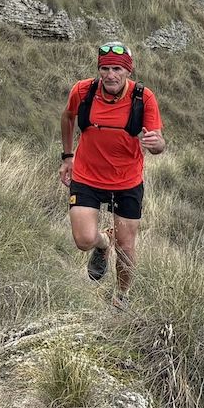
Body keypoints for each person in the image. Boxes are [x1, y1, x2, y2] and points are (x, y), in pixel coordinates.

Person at [60, 42, 165, 306]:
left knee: (127, 247)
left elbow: (159, 143)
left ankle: (121, 297)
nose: (110, 75)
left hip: (126, 181)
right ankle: (102, 244)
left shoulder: (143, 98)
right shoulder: (83, 91)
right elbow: (68, 117)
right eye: (105, 68)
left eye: (117, 69)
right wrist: (67, 156)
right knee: (84, 240)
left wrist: (156, 145)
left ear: (128, 72)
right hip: (86, 176)